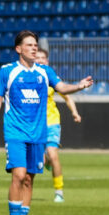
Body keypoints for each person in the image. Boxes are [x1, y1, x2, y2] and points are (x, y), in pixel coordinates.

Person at [0, 31, 92, 215]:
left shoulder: (44, 71)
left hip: (38, 134)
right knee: (18, 175)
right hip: (15, 132)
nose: (34, 48)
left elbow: (62, 88)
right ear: (18, 49)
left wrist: (79, 85)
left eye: (35, 45)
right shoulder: (8, 72)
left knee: (29, 180)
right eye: (29, 45)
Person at [36, 47, 81, 203]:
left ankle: (59, 192)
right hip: (35, 125)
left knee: (53, 154)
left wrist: (74, 112)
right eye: (38, 57)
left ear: (47, 61)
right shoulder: (29, 78)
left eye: (43, 58)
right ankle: (46, 161)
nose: (40, 60)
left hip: (52, 121)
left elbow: (67, 97)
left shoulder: (52, 78)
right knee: (40, 160)